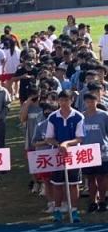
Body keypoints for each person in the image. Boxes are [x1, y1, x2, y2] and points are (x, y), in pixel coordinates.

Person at [44, 90, 85, 223]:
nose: (63, 103)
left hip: (73, 154)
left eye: (66, 100)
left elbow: (80, 138)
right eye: (61, 100)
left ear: (71, 100)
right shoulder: (53, 117)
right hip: (57, 154)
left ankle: (74, 210)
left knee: (74, 184)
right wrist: (58, 144)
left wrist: (67, 143)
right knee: (57, 184)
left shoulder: (78, 116)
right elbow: (49, 138)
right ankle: (57, 210)